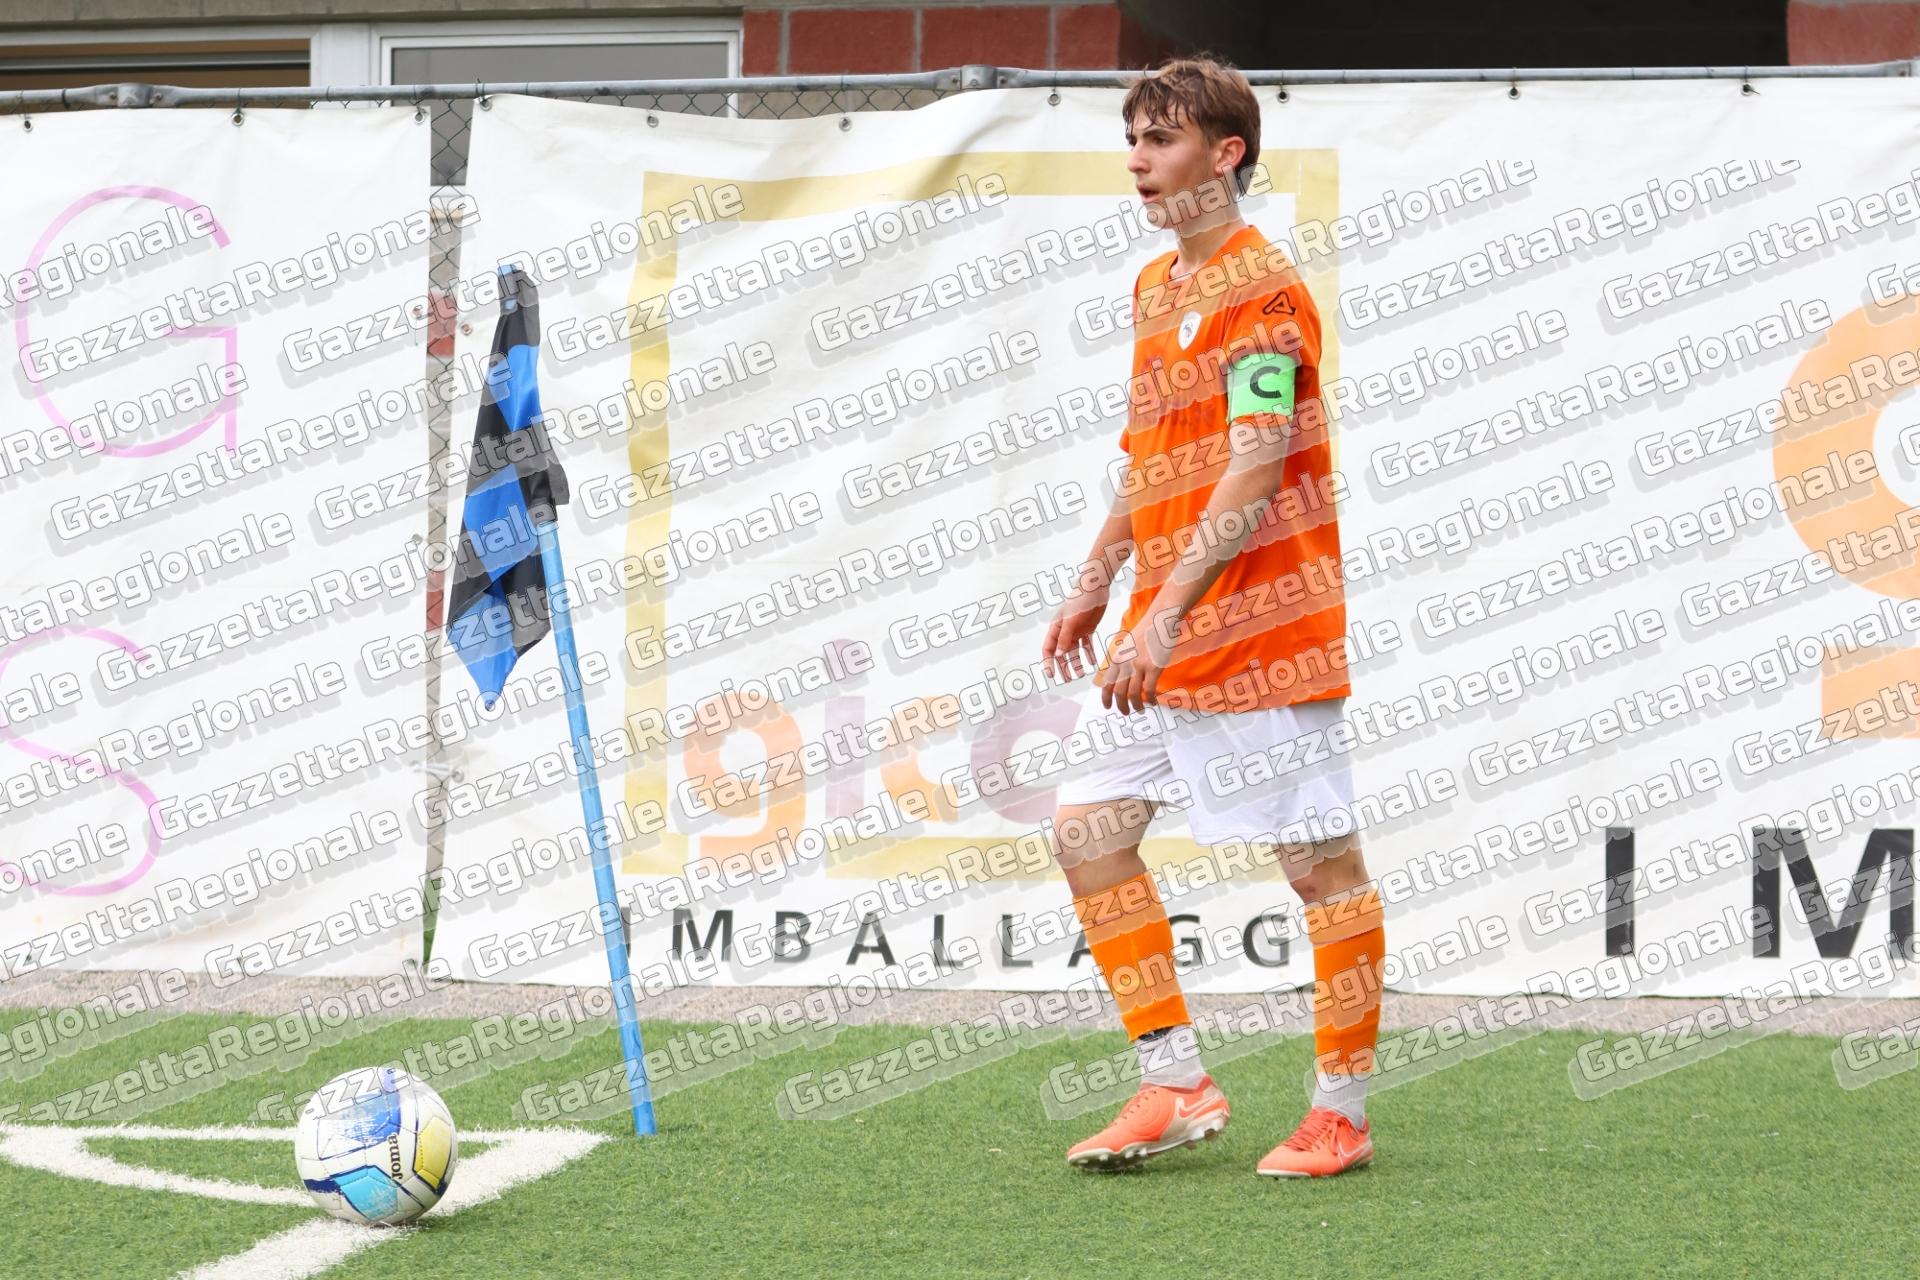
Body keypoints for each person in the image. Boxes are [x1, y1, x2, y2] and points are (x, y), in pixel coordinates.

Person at [1039, 54, 1384, 1179]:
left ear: (1225, 153)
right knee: (1088, 834)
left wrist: (1163, 615)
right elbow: (1150, 457)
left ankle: (1341, 1113)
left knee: (1321, 870)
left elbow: (1256, 462)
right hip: (1161, 633)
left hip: (1260, 633)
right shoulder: (1156, 286)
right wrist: (1099, 577)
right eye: (1133, 140)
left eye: (1163, 139)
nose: (1139, 161)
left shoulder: (1264, 292)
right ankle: (1177, 1079)